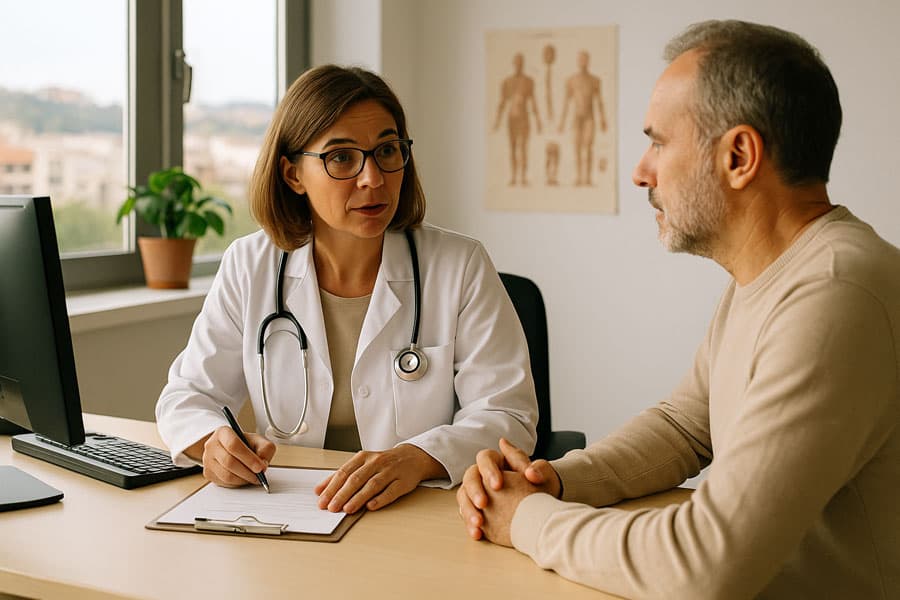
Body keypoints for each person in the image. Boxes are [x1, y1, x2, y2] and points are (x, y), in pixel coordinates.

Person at [457, 20, 899, 599]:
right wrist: (554, 480)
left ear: (739, 155)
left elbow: (704, 563)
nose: (641, 171)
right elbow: (686, 426)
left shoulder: (836, 296)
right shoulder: (775, 274)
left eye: (659, 142)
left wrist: (527, 520)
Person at [156, 65, 537, 515]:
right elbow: (187, 395)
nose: (372, 178)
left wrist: (418, 458)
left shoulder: (459, 266)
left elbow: (506, 416)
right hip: (289, 509)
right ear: (293, 174)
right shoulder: (250, 265)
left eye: (387, 151)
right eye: (341, 158)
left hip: (417, 510)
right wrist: (212, 444)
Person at [558, 50, 607, 186]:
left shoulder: (594, 81)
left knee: (588, 147)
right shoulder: (571, 80)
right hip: (576, 118)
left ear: (588, 61)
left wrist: (603, 119)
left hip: (589, 118)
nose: (583, 62)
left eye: (585, 59)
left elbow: (599, 101)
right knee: (577, 147)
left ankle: (588, 178)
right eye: (581, 59)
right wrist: (562, 122)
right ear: (578, 61)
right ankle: (579, 177)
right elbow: (566, 103)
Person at [493, 52, 542, 186]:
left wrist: (538, 121)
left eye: (521, 62)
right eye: (517, 62)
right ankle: (514, 177)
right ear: (514, 64)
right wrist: (497, 121)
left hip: (524, 118)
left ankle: (523, 177)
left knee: (523, 148)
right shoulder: (507, 82)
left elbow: (533, 102)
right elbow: (502, 103)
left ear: (523, 64)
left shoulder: (528, 82)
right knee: (513, 148)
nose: (519, 64)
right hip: (512, 119)